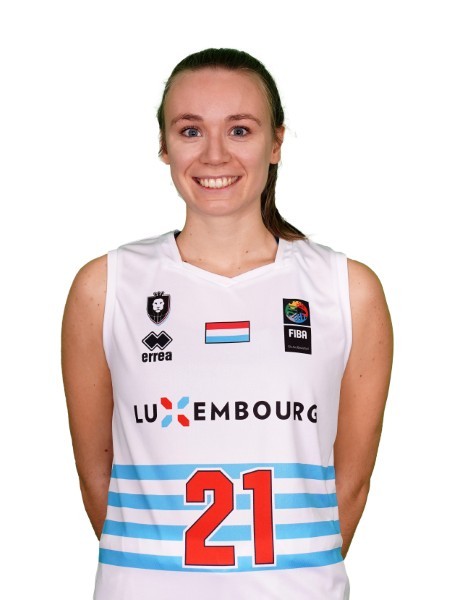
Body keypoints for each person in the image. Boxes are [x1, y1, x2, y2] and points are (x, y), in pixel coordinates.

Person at [61, 47, 393, 600]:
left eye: (240, 130)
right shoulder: (105, 287)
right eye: (191, 131)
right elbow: (99, 481)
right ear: (164, 146)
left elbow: (351, 485)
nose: (214, 154)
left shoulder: (347, 290)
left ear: (276, 143)